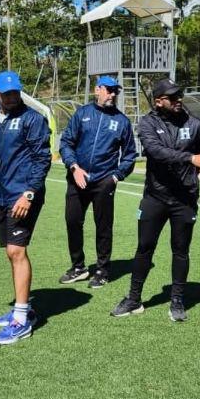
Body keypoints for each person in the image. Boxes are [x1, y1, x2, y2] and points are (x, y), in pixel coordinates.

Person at [111, 79, 200, 323]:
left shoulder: (195, 124)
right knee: (144, 247)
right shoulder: (147, 123)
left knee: (181, 250)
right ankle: (133, 299)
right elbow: (156, 152)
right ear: (159, 101)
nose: (178, 99)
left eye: (179, 95)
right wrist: (191, 159)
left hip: (185, 198)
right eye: (172, 97)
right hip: (155, 197)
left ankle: (177, 300)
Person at [0, 71, 51, 345]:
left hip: (23, 196)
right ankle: (23, 307)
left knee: (16, 251)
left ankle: (21, 319)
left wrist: (28, 194)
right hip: (1, 196)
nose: (11, 97)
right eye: (6, 93)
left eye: (15, 93)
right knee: (11, 252)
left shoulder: (32, 119)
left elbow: (42, 159)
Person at [57, 75, 137, 289]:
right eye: (108, 90)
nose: (112, 94)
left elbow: (130, 155)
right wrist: (74, 167)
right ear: (97, 90)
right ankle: (78, 267)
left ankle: (102, 270)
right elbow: (66, 143)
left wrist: (116, 176)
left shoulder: (122, 121)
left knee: (103, 227)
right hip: (77, 178)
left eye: (115, 91)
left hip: (104, 181)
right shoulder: (82, 114)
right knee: (73, 221)